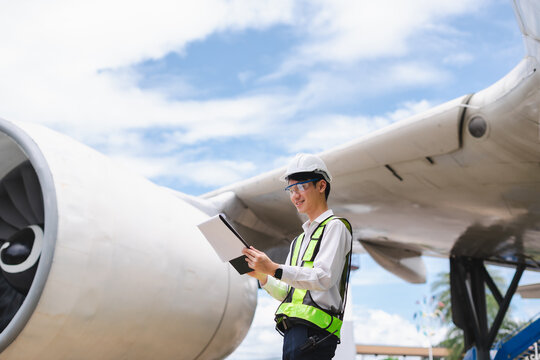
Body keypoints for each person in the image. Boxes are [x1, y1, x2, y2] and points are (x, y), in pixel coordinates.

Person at [242, 153, 353, 360]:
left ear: (321, 186)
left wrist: (274, 268)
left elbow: (323, 277)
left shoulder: (335, 227)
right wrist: (263, 277)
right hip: (293, 333)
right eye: (291, 190)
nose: (295, 196)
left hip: (316, 335)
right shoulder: (298, 241)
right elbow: (289, 293)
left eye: (301, 187)